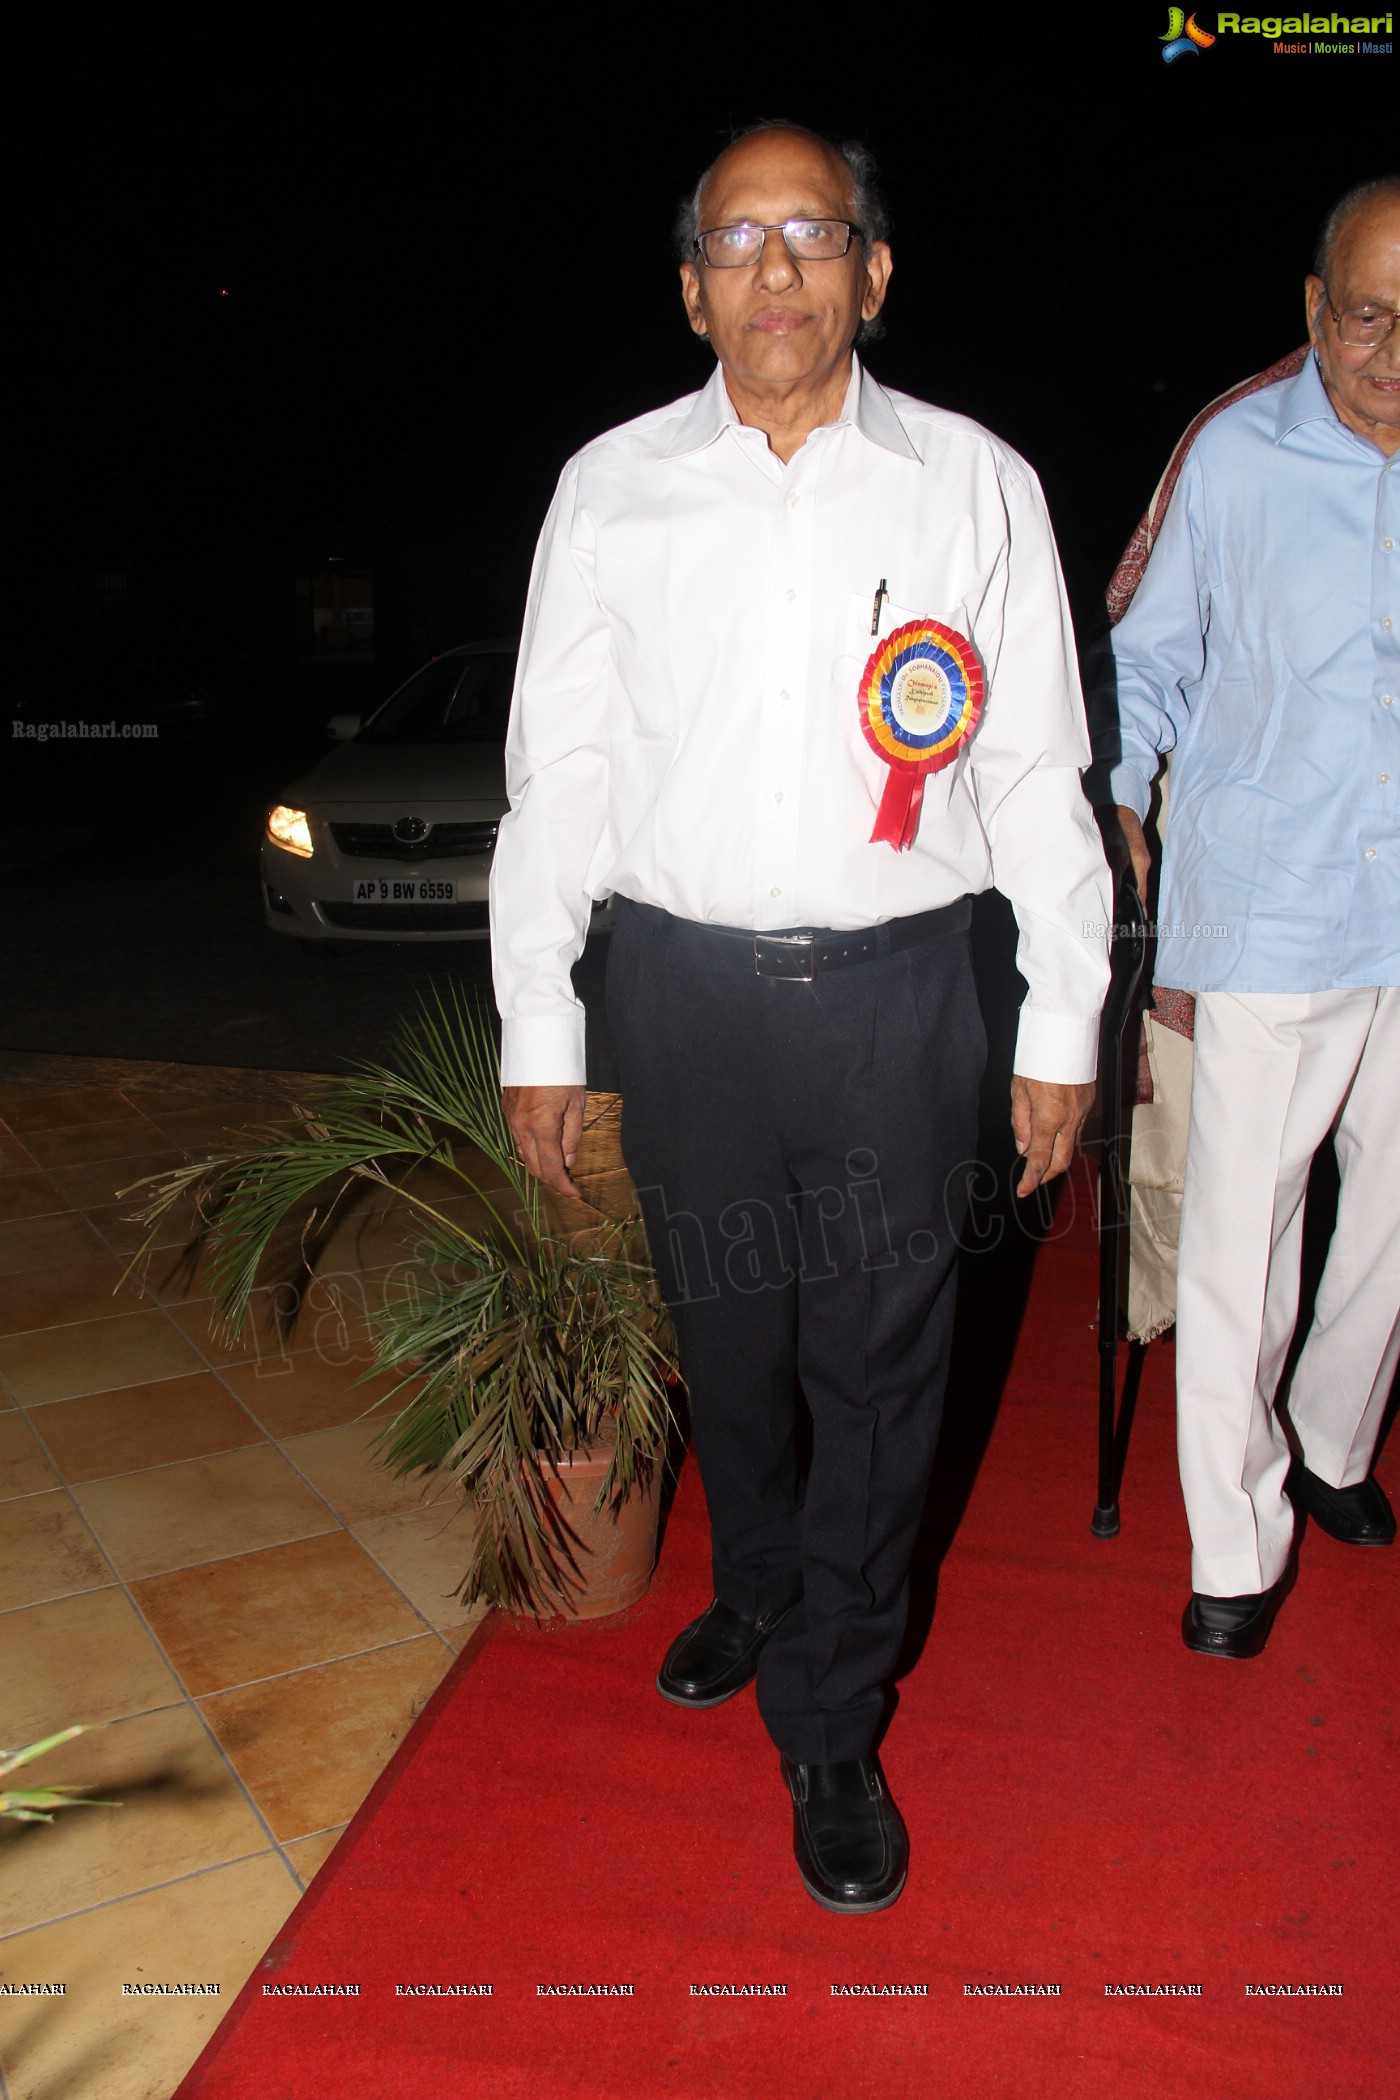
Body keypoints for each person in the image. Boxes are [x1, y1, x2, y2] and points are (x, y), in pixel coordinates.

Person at [491, 121, 1110, 1912]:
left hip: (901, 1002)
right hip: (678, 997)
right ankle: (755, 1574)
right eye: (738, 240)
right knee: (732, 1332)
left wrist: (1058, 1018)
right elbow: (565, 774)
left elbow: (1039, 767)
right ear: (690, 289)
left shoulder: (972, 485)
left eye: (812, 234)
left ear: (874, 273)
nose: (776, 270)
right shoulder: (609, 487)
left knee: (881, 1359)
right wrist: (548, 1027)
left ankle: (834, 1705)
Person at [1105, 175, 1400, 1661]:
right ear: (1314, 310)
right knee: (1242, 1232)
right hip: (1276, 897)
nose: (1394, 351)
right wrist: (1122, 786)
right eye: (1368, 315)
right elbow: (1147, 652)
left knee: (1397, 1225)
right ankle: (1237, 1534)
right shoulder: (1231, 455)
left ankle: (1336, 1446)